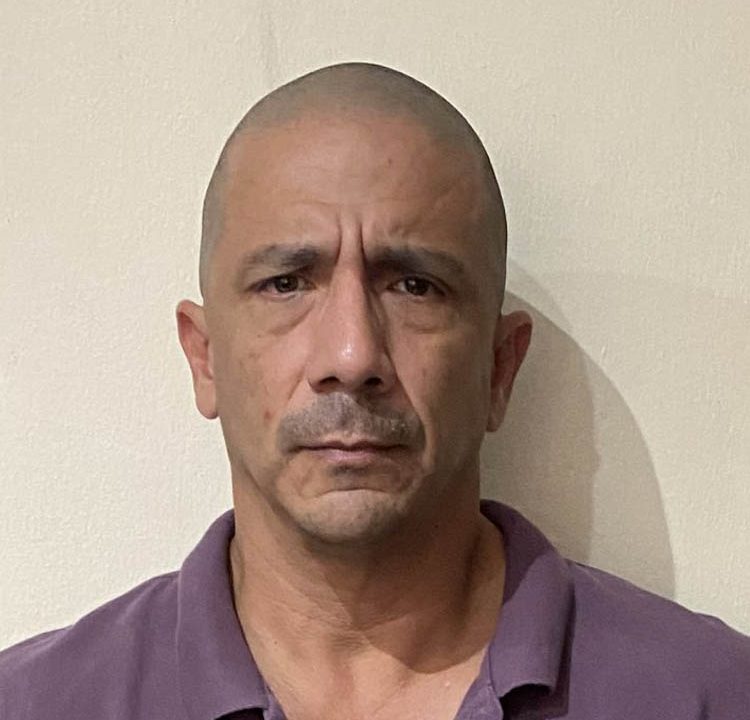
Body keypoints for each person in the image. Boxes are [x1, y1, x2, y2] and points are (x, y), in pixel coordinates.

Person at [1, 62, 748, 720]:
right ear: (205, 359)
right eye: (286, 283)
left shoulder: (711, 697)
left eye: (414, 285)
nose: (352, 355)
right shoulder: (35, 704)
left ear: (500, 368)